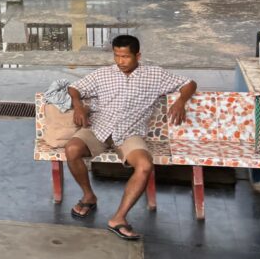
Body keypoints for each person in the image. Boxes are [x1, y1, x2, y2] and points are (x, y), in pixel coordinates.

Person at [65, 34, 196, 241]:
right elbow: (75, 88)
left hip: (130, 133)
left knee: (144, 165)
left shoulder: (155, 75)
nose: (120, 62)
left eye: (125, 56)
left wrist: (181, 101)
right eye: (116, 56)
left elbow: (189, 83)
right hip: (99, 128)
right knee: (71, 149)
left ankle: (118, 218)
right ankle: (88, 196)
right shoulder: (103, 74)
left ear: (138, 55)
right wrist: (78, 105)